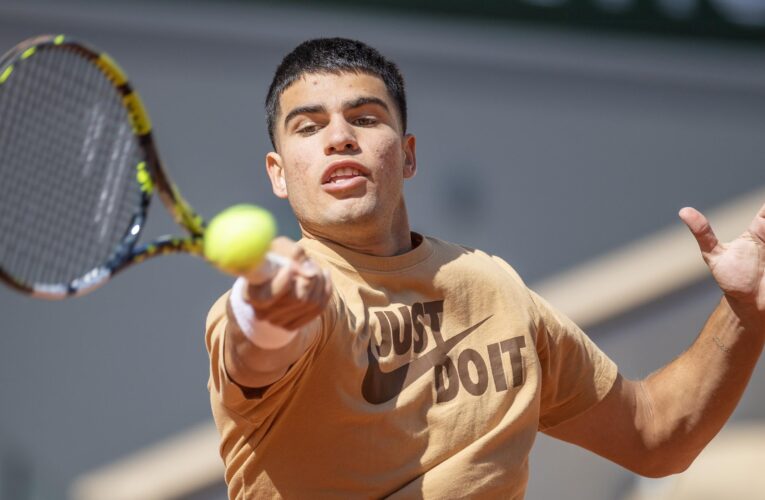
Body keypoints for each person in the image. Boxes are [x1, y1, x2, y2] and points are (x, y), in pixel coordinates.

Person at [205, 38, 765, 499]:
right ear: (278, 174)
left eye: (365, 117)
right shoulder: (285, 294)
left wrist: (744, 310)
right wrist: (267, 314)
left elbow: (656, 436)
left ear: (407, 154)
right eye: (308, 127)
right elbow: (256, 351)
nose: (339, 137)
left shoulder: (491, 284)